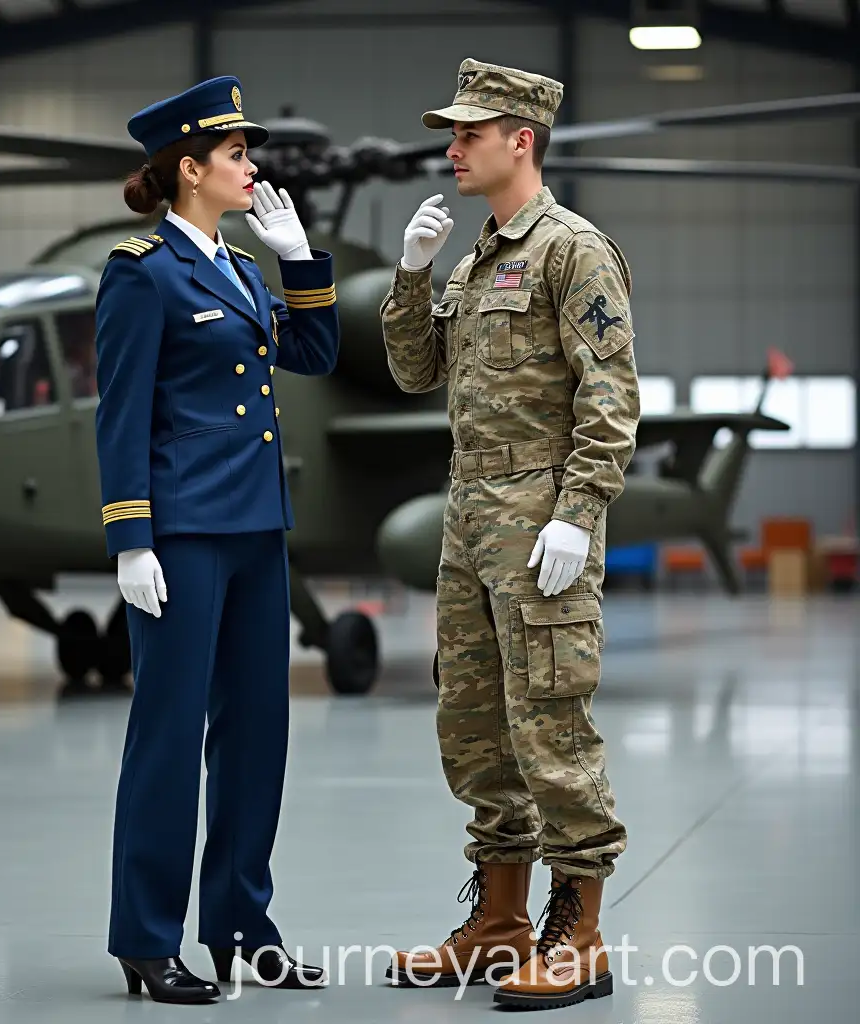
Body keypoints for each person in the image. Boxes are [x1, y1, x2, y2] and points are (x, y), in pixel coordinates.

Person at [379, 58, 640, 1011]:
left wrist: (578, 514)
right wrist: (411, 274)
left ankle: (580, 934)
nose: (451, 151)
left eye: (467, 136)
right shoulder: (476, 256)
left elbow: (611, 401)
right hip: (471, 521)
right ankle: (497, 922)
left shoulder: (574, 251)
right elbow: (415, 373)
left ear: (518, 141)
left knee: (553, 724)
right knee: (478, 730)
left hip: (539, 528)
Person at [93, 76, 339, 1005]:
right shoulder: (141, 271)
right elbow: (121, 413)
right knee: (167, 736)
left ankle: (242, 928)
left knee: (256, 738)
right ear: (188, 169)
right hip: (185, 536)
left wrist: (300, 261)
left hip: (254, 532)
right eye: (237, 155)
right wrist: (132, 536)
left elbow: (312, 356)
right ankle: (147, 940)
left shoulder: (237, 270)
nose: (254, 168)